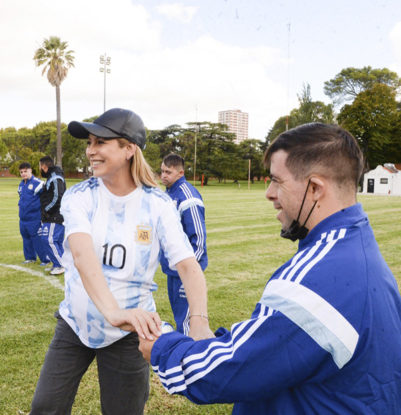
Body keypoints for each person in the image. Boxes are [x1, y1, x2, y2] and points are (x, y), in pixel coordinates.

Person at [140, 123, 401, 414]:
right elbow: (275, 348)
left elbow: (222, 374)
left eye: (277, 181)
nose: (269, 192)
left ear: (315, 188)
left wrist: (160, 343)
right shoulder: (358, 247)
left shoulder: (317, 278)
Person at [28, 108, 214, 415]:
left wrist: (199, 323)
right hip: (75, 324)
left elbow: (188, 267)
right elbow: (82, 257)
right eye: (89, 142)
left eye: (100, 142)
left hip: (131, 333)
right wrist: (113, 312)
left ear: (129, 149)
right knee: (45, 407)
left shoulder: (159, 205)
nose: (90, 150)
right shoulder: (79, 197)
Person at [160, 153, 207, 334]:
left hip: (186, 269)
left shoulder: (188, 197)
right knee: (179, 315)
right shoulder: (168, 194)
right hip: (172, 268)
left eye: (168, 172)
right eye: (162, 171)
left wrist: (189, 268)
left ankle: (191, 357)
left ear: (180, 173)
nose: (163, 175)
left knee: (188, 320)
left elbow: (199, 238)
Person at [38, 156, 66, 275]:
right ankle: (57, 263)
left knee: (49, 240)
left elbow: (57, 197)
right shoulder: (51, 177)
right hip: (52, 215)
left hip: (55, 216)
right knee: (56, 242)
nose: (39, 169)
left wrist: (47, 210)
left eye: (40, 166)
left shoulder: (55, 178)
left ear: (44, 166)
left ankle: (61, 265)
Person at [18, 162, 48, 264]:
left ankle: (45, 259)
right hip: (23, 218)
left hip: (34, 218)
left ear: (30, 170)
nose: (23, 174)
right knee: (26, 238)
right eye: (21, 172)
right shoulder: (21, 184)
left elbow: (45, 199)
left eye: (25, 171)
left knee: (37, 239)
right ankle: (30, 258)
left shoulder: (38, 183)